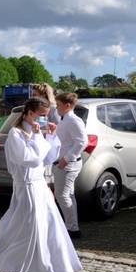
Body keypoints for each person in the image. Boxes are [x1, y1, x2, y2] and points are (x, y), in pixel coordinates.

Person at [0, 97, 82, 272]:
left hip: (38, 185)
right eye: (41, 115)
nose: (44, 119)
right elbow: (30, 158)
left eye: (47, 116)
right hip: (26, 188)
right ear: (30, 113)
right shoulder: (16, 134)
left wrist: (50, 136)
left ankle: (54, 266)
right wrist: (40, 137)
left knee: (47, 225)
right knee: (24, 226)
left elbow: (48, 158)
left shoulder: (36, 132)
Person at [50, 92, 86, 239]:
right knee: (68, 195)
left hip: (67, 165)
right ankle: (72, 227)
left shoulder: (73, 121)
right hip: (64, 163)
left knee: (62, 195)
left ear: (67, 105)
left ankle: (72, 229)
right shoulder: (65, 120)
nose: (56, 108)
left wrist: (67, 158)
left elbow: (82, 142)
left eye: (58, 105)